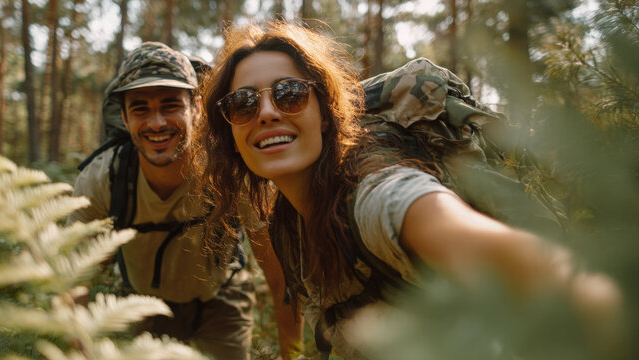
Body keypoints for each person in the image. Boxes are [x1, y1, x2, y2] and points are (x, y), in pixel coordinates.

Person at [195, 22, 624, 359]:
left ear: (325, 115)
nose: (266, 113)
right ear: (230, 130)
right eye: (244, 104)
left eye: (290, 95)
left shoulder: (374, 195)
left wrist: (599, 305)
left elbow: (474, 239)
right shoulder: (289, 226)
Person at [68, 42, 301, 360]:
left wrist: (295, 355)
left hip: (222, 301)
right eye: (140, 109)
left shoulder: (231, 171)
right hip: (143, 304)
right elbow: (74, 278)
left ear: (197, 108)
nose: (157, 123)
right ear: (124, 117)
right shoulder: (103, 178)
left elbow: (279, 274)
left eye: (170, 105)